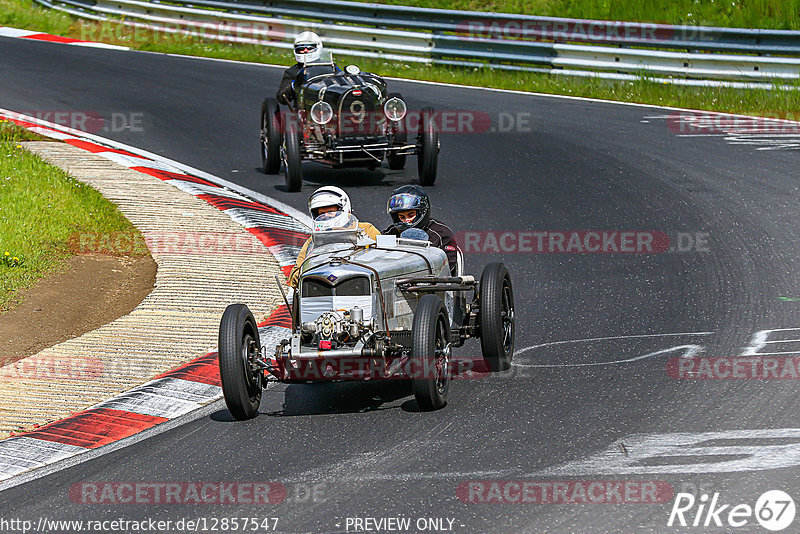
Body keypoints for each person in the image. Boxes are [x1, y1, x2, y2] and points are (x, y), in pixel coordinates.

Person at [288, 186, 380, 287]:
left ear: (343, 209)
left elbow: (385, 258)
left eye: (330, 212)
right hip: (325, 284)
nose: (327, 216)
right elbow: (295, 275)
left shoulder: (366, 229)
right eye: (322, 214)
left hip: (360, 281)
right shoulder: (314, 240)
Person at [384, 185, 459, 275]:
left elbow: (448, 268)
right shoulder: (390, 233)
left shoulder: (441, 234)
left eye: (411, 215)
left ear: (422, 212)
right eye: (402, 217)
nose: (406, 220)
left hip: (431, 283)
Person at [277, 32, 340, 107]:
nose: (305, 50)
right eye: (301, 48)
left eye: (309, 48)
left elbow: (342, 78)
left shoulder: (330, 67)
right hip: (305, 108)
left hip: (330, 105)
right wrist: (294, 85)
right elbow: (281, 97)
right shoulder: (292, 71)